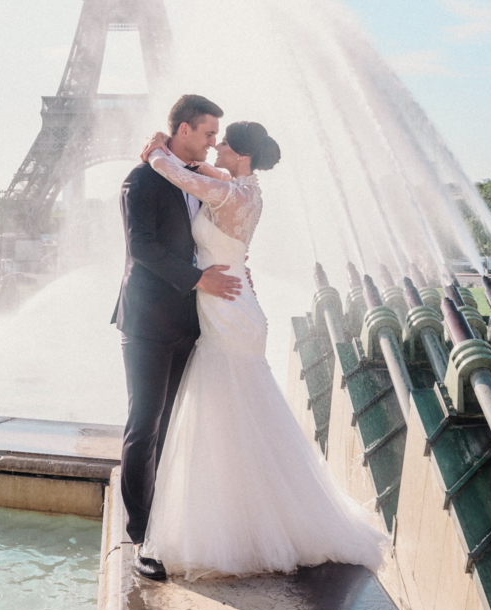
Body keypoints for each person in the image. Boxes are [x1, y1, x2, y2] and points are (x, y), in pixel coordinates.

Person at [133, 119, 387, 581]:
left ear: (242, 156)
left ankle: (230, 522)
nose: (217, 147)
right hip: (230, 300)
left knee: (229, 412)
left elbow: (183, 178)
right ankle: (243, 512)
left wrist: (155, 152)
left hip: (227, 308)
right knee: (237, 414)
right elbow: (197, 177)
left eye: (224, 143)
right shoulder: (237, 186)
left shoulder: (233, 192)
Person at [114, 95, 241, 583]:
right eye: (208, 133)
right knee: (144, 425)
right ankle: (141, 536)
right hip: (146, 321)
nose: (213, 144)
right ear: (184, 129)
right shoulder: (141, 178)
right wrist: (197, 279)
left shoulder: (199, 177)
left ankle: (166, 523)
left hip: (188, 322)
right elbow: (140, 247)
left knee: (170, 425)